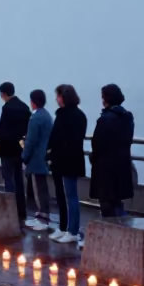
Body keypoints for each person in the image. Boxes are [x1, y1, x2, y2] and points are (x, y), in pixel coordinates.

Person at [47, 84, 87, 243]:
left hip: (66, 159)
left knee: (70, 196)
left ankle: (73, 230)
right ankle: (65, 227)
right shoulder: (76, 115)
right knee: (64, 195)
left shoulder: (68, 116)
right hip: (67, 159)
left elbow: (61, 138)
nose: (56, 99)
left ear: (64, 97)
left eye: (58, 96)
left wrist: (52, 152)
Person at [89, 84, 134, 217]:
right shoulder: (128, 117)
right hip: (122, 165)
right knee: (117, 201)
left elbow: (97, 144)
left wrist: (93, 158)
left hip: (105, 168)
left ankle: (110, 233)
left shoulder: (105, 119)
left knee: (107, 203)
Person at [0, 83, 31, 224]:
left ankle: (8, 209)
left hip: (7, 150)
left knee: (8, 180)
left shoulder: (7, 108)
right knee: (19, 180)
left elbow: (3, 130)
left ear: (4, 94)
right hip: (19, 149)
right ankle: (21, 210)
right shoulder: (24, 107)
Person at [22, 90, 53, 230]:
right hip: (44, 157)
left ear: (33, 101)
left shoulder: (35, 118)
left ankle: (42, 218)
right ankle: (42, 214)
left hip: (35, 158)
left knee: (37, 188)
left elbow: (31, 141)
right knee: (43, 187)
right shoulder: (47, 116)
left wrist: (24, 156)